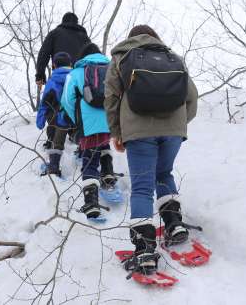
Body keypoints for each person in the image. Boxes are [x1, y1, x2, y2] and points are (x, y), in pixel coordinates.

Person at [104, 25, 198, 275]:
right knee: (164, 174)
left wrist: (117, 133)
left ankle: (145, 249)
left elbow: (111, 98)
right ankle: (174, 225)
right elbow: (192, 96)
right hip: (173, 132)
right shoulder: (172, 57)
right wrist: (178, 124)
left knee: (143, 186)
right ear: (154, 36)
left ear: (130, 38)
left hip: (139, 131)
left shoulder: (122, 58)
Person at [61, 43, 117, 220]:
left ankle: (91, 203)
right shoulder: (112, 69)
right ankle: (108, 172)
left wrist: (77, 119)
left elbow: (67, 100)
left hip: (88, 121)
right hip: (110, 119)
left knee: (89, 159)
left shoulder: (76, 72)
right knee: (104, 143)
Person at [36, 52, 73, 177]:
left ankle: (53, 167)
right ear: (70, 64)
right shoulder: (76, 76)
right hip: (76, 118)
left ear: (55, 66)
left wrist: (40, 121)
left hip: (59, 119)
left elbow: (45, 102)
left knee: (56, 139)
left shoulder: (53, 81)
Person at [35, 12, 91, 86]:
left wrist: (40, 74)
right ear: (77, 23)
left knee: (57, 96)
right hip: (81, 79)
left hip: (60, 77)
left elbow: (43, 54)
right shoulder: (85, 38)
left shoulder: (54, 33)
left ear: (63, 21)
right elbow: (92, 58)